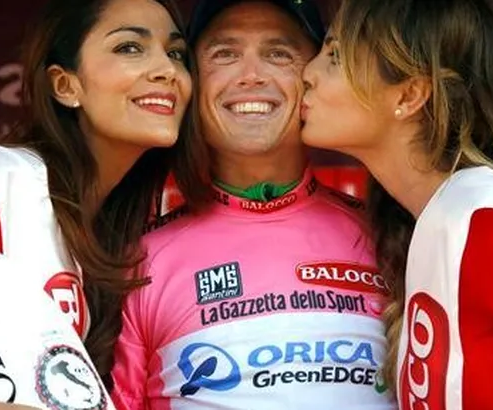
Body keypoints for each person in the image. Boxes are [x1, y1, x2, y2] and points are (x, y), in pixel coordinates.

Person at [0, 0, 204, 408]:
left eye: (176, 54)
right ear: (66, 86)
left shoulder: (122, 227)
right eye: (129, 48)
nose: (166, 70)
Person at [301, 0, 493, 408]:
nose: (308, 73)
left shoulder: (489, 227)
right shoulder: (436, 221)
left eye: (335, 56)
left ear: (410, 94)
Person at [110, 1, 398, 409]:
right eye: (225, 54)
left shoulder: (391, 238)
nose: (251, 75)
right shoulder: (138, 262)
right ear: (191, 80)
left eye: (278, 53)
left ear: (315, 78)